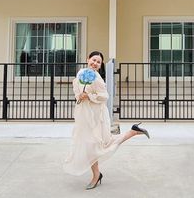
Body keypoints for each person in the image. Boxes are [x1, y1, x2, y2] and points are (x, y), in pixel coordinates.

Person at [62, 50, 150, 189]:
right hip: (83, 113)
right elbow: (76, 87)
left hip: (96, 115)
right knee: (90, 145)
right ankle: (133, 131)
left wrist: (89, 96)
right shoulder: (81, 73)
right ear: (88, 59)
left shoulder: (97, 78)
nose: (95, 63)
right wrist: (79, 95)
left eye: (98, 62)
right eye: (94, 60)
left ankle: (96, 175)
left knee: (97, 145)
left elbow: (104, 96)